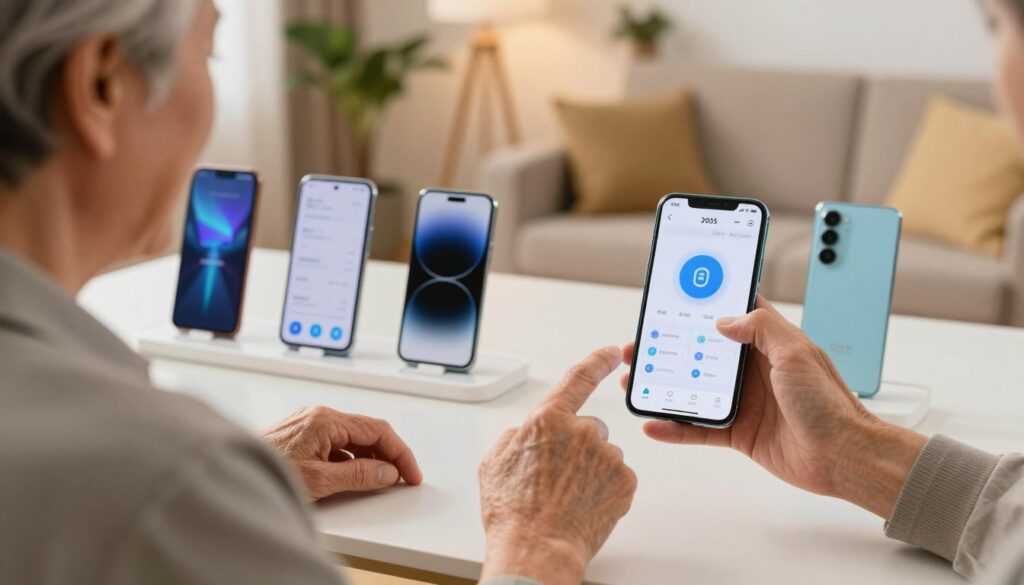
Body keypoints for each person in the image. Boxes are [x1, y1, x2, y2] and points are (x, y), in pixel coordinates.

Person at [0, 1, 636, 584]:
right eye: (208, 52)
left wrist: (245, 479)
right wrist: (538, 542)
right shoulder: (161, 482)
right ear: (100, 85)